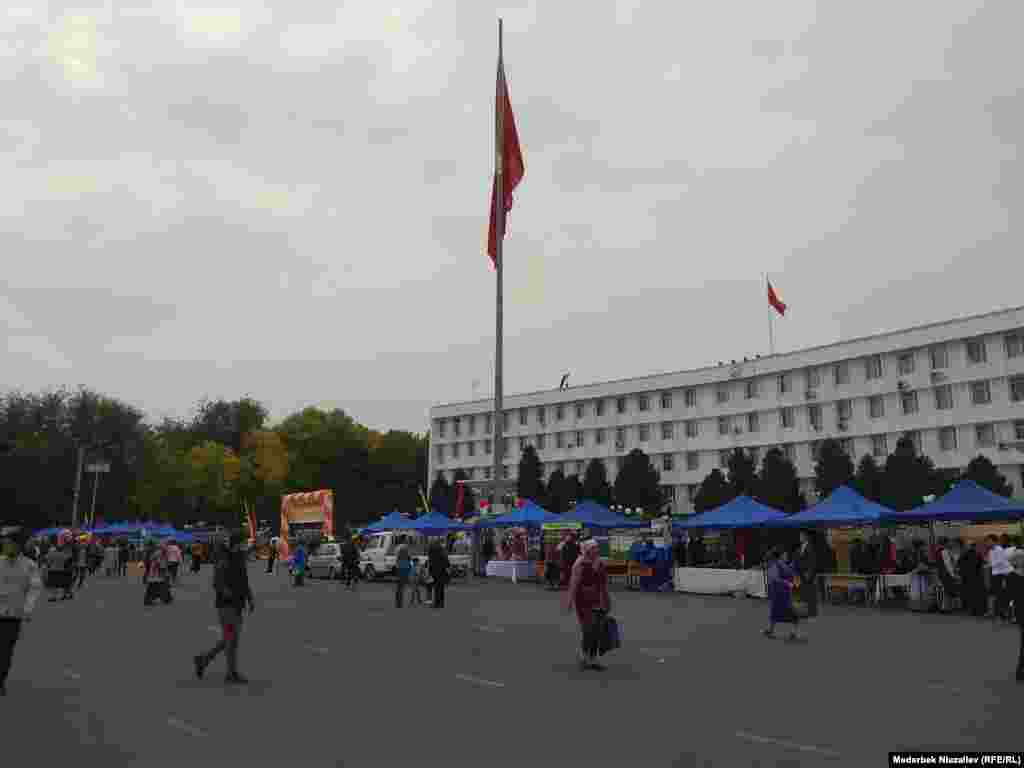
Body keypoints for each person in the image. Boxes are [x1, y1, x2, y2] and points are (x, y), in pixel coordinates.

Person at [194, 534, 255, 685]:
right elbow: (216, 582)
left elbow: (244, 580)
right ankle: (231, 673)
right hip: (226, 605)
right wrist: (225, 591)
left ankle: (204, 659)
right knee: (231, 639)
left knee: (231, 639)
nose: (245, 545)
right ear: (236, 543)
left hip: (238, 604)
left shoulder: (239, 558)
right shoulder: (224, 559)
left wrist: (250, 597)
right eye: (243, 543)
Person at [0, 527, 43, 697]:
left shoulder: (29, 565)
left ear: (18, 545)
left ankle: (0, 679)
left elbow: (34, 588)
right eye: (4, 543)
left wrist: (28, 608)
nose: (5, 546)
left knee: (5, 650)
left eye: (9, 543)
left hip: (12, 615)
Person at [563, 539, 611, 671]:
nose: (596, 550)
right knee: (588, 629)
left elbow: (604, 583)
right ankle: (585, 657)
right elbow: (574, 583)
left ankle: (593, 658)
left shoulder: (600, 563)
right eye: (593, 548)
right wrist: (569, 601)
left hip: (599, 598)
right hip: (583, 599)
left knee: (598, 629)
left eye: (596, 547)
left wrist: (607, 599)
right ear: (587, 550)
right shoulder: (580, 563)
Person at [763, 547, 803, 642]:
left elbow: (790, 572)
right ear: (781, 556)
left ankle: (773, 630)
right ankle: (790, 632)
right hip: (780, 593)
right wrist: (787, 583)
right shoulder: (775, 565)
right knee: (787, 612)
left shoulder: (783, 564)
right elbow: (775, 578)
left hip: (783, 593)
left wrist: (794, 580)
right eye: (785, 554)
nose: (786, 555)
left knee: (778, 612)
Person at [988, 534, 1013, 621]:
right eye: (987, 541)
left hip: (1002, 574)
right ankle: (999, 612)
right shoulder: (991, 551)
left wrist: (991, 564)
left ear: (994, 541)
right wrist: (990, 564)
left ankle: (1004, 612)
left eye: (989, 541)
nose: (988, 543)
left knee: (1001, 594)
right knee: (997, 594)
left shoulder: (999, 549)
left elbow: (1001, 561)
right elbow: (992, 561)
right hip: (995, 574)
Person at [796, 530, 819, 622]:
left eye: (801, 536)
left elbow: (812, 561)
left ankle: (812, 614)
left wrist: (809, 572)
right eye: (800, 536)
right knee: (804, 594)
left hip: (808, 574)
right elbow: (799, 560)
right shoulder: (801, 547)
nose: (800, 537)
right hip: (801, 574)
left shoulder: (810, 547)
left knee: (811, 594)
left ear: (806, 537)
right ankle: (805, 613)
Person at [428, 539, 450, 609]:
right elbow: (446, 561)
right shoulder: (442, 550)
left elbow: (430, 561)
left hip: (434, 571)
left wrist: (430, 571)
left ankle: (437, 603)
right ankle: (441, 603)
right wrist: (447, 567)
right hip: (442, 571)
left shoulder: (431, 550)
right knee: (441, 588)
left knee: (436, 588)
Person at [394, 539, 411, 608]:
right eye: (406, 540)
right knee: (401, 586)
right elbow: (408, 558)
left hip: (399, 567)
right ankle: (399, 603)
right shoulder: (405, 548)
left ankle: (398, 602)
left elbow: (397, 557)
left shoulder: (397, 547)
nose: (407, 541)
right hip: (404, 567)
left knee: (399, 586)